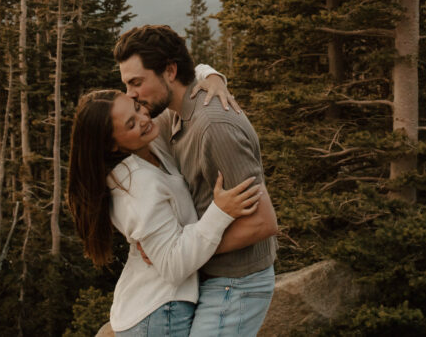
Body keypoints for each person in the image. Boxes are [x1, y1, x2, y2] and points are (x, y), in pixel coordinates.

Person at [114, 25, 279, 336]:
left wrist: (181, 252)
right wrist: (214, 75)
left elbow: (262, 223)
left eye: (136, 83)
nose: (130, 95)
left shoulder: (212, 125)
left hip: (237, 281)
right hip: (211, 278)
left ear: (170, 71)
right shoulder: (173, 114)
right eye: (126, 85)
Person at [67, 89, 262, 336]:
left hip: (157, 311)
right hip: (160, 314)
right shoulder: (137, 184)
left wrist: (214, 80)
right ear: (112, 144)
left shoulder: (148, 149)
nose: (144, 119)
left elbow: (183, 79)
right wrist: (220, 212)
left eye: (137, 108)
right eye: (131, 124)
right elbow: (173, 265)